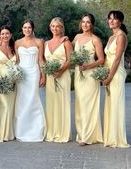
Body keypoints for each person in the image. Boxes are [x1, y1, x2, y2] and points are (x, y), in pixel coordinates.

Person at [72, 13, 104, 145]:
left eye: (88, 22)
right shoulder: (77, 37)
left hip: (90, 75)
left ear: (92, 24)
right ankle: (81, 133)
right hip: (79, 75)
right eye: (83, 22)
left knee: (89, 104)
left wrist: (88, 66)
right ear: (81, 24)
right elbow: (69, 50)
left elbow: (101, 59)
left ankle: (87, 136)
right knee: (80, 104)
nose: (85, 24)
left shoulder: (95, 40)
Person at [14, 19, 46, 142]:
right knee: (21, 100)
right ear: (22, 29)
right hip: (21, 73)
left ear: (32, 29)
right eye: (25, 27)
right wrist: (14, 73)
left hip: (34, 72)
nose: (27, 30)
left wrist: (43, 76)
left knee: (33, 99)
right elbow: (16, 60)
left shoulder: (39, 42)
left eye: (29, 28)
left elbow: (41, 60)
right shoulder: (17, 42)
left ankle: (35, 130)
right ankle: (21, 130)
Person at [103, 10, 130, 148]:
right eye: (110, 19)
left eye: (114, 19)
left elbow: (117, 58)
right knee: (110, 104)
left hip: (116, 74)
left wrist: (110, 77)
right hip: (108, 73)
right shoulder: (111, 37)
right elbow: (107, 58)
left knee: (116, 104)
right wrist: (102, 73)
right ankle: (110, 135)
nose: (111, 21)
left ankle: (118, 138)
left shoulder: (121, 36)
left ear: (120, 21)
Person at [44, 17, 72, 143]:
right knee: (51, 103)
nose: (55, 28)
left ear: (62, 28)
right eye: (53, 26)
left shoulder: (66, 42)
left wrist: (60, 71)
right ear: (50, 27)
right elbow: (44, 62)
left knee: (62, 102)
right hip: (50, 77)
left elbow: (70, 60)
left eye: (57, 26)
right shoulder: (46, 43)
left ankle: (63, 133)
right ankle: (52, 132)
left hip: (63, 75)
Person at [0, 25, 16, 142]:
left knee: (11, 106)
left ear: (10, 35)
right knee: (5, 105)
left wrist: (16, 78)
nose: (5, 36)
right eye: (2, 34)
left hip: (13, 82)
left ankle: (10, 133)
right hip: (1, 81)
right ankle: (3, 133)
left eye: (7, 33)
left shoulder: (14, 48)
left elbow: (18, 63)